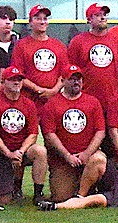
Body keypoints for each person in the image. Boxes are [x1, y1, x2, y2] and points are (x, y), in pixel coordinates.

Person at [0, 65, 48, 206]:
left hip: (20, 150)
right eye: (12, 80)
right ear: (3, 82)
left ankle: (38, 194)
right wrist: (8, 153)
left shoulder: (28, 104)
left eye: (19, 79)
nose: (17, 83)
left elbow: (33, 133)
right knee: (3, 200)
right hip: (1, 153)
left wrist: (20, 152)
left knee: (40, 151)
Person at [41, 64, 107, 203]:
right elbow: (49, 134)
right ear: (63, 81)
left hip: (87, 156)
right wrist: (67, 156)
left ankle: (80, 196)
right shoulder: (52, 104)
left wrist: (86, 154)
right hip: (63, 160)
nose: (76, 82)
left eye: (79, 79)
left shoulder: (93, 102)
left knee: (99, 160)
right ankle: (81, 188)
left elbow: (100, 132)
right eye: (72, 79)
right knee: (60, 197)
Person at [67, 2, 118, 109]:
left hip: (111, 102)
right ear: (89, 19)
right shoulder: (78, 42)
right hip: (85, 102)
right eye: (97, 15)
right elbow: (70, 73)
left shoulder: (116, 41)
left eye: (104, 14)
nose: (102, 17)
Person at [11, 4, 68, 105]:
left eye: (45, 19)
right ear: (30, 23)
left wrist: (54, 90)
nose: (42, 22)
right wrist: (38, 89)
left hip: (54, 101)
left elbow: (65, 74)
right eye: (37, 18)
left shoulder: (58, 45)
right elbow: (17, 74)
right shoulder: (21, 45)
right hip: (29, 101)